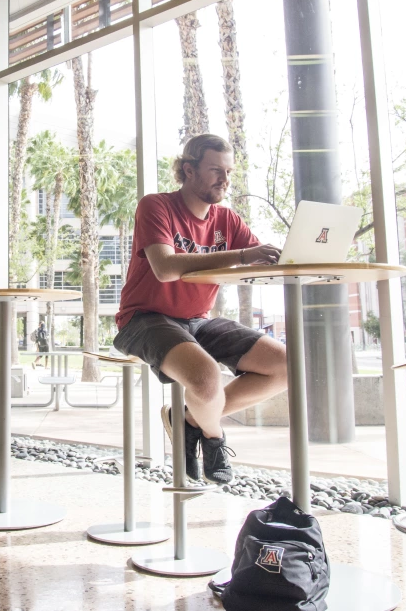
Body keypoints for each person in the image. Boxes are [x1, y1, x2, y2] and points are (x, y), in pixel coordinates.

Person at [113, 134, 288, 485]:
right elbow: (165, 268)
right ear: (188, 170)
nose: (224, 179)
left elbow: (258, 263)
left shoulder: (228, 220)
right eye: (215, 170)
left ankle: (191, 419)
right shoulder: (156, 206)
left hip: (197, 321)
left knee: (286, 366)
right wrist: (242, 256)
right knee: (206, 377)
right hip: (144, 318)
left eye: (228, 172)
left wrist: (296, 257)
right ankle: (213, 437)